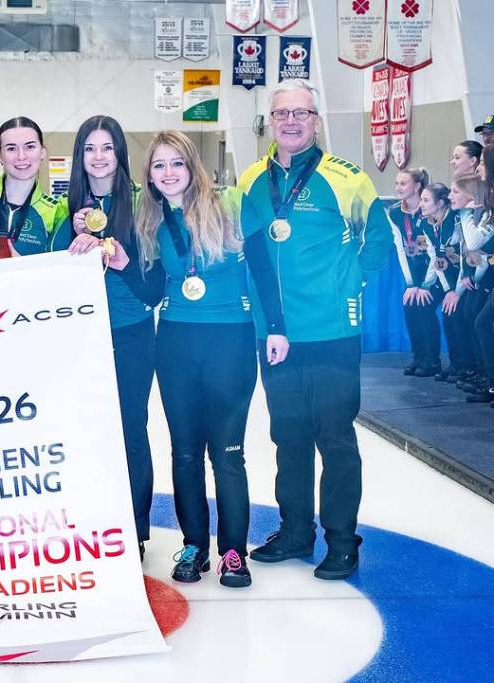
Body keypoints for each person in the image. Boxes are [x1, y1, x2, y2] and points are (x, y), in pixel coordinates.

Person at [237, 80, 390, 580]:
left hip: (330, 332)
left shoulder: (348, 179)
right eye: (281, 113)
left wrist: (347, 286)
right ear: (270, 122)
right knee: (289, 436)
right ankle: (296, 531)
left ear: (316, 120)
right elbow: (251, 251)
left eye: (301, 112)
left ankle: (343, 541)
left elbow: (378, 244)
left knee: (336, 438)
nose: (290, 121)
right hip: (275, 334)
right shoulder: (251, 181)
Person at [139, 130, 288, 588]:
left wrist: (276, 327)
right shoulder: (151, 221)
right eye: (159, 165)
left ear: (192, 167)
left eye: (176, 163)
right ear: (150, 174)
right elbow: (150, 291)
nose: (168, 173)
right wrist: (122, 260)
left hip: (230, 341)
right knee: (184, 452)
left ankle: (232, 552)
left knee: (228, 453)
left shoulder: (229, 207)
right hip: (177, 343)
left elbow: (263, 269)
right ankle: (193, 546)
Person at [62, 115, 164, 559]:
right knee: (83, 432)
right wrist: (71, 242)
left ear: (120, 153)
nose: (99, 157)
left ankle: (136, 529)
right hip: (78, 338)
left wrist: (121, 260)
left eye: (107, 148)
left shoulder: (145, 206)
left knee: (130, 431)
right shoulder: (63, 208)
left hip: (131, 335)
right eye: (89, 148)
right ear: (79, 156)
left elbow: (155, 288)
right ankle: (92, 523)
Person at [389, 167, 444, 377]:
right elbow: (401, 250)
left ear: (417, 186)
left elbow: (435, 252)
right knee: (410, 305)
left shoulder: (429, 208)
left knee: (424, 306)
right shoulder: (395, 212)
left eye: (403, 184)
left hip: (437, 271)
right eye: (397, 183)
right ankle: (418, 357)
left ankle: (432, 360)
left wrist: (425, 285)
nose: (398, 188)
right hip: (415, 271)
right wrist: (412, 284)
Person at [0, 116, 69, 254]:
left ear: (42, 152)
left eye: (30, 147)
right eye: (11, 148)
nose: (21, 156)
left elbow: (57, 266)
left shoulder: (56, 210)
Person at [420, 183, 466, 383]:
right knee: (445, 314)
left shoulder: (456, 221)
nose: (421, 205)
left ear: (440, 203)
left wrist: (456, 291)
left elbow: (467, 258)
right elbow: (435, 259)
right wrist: (443, 288)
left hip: (467, 279)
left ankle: (468, 367)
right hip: (448, 282)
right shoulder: (426, 224)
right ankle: (454, 364)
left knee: (457, 316)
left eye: (426, 200)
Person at [448, 173, 487, 394]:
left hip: (485, 279)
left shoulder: (480, 217)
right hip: (474, 278)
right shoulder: (466, 218)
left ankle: (487, 377)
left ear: (470, 195)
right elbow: (465, 253)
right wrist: (465, 277)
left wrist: (465, 213)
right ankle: (481, 372)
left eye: (455, 191)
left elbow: (475, 246)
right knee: (469, 316)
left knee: (480, 322)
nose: (450, 195)